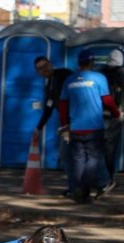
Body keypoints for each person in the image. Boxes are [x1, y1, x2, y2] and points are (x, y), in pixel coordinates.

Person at [59, 49, 121, 204]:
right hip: (94, 127)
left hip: (75, 128)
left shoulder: (69, 80)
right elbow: (107, 100)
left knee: (78, 160)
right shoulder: (99, 78)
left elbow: (62, 105)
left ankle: (81, 191)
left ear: (78, 63)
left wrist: (65, 126)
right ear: (92, 62)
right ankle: (103, 183)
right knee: (93, 159)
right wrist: (116, 114)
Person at [32, 57, 74, 197]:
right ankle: (75, 187)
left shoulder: (64, 74)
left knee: (74, 155)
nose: (44, 69)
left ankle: (85, 185)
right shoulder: (49, 85)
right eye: (40, 68)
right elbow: (49, 108)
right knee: (68, 156)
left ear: (50, 63)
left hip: (76, 122)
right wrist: (39, 127)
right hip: (66, 125)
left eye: (45, 65)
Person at [96, 48, 124, 196]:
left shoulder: (100, 72)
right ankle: (107, 178)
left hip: (98, 114)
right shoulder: (120, 73)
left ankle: (102, 178)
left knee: (98, 147)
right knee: (110, 148)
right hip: (114, 115)